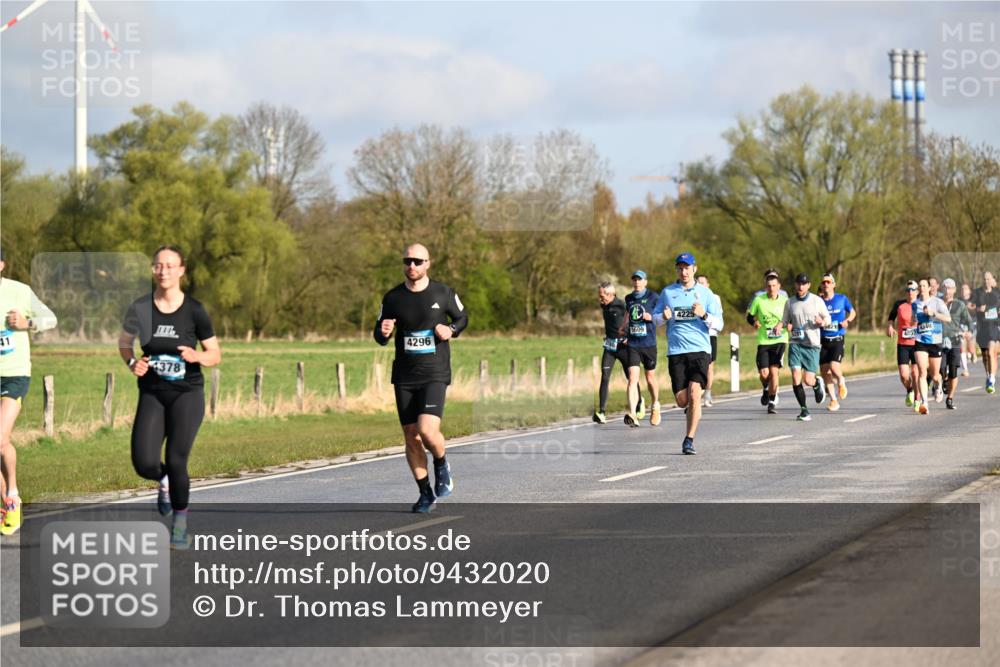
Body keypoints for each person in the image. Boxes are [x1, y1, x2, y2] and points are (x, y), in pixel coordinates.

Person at [119, 246, 221, 548]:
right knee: (144, 462)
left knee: (177, 460)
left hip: (187, 394)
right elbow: (125, 344)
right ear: (153, 270)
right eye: (158, 265)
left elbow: (215, 354)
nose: (164, 271)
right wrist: (131, 362)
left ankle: (179, 524)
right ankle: (162, 481)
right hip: (152, 392)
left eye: (170, 266)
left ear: (181, 270)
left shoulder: (195, 310)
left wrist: (197, 356)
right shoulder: (140, 308)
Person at [374, 244, 468, 513]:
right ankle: (425, 493)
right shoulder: (392, 297)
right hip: (404, 375)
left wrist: (450, 329)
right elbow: (379, 337)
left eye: (417, 261)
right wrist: (384, 331)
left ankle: (441, 463)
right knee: (411, 436)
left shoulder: (443, 292)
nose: (412, 266)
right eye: (407, 261)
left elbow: (462, 317)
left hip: (434, 373)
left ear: (428, 263)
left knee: (427, 430)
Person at [0, 248, 58, 536]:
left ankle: (12, 491)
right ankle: (8, 505)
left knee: (0, 438)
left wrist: (27, 323)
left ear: (1, 264)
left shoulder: (19, 291)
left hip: (14, 373)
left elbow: (51, 318)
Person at [653, 253, 723, 455]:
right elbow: (655, 320)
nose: (684, 272)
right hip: (676, 352)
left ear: (695, 269)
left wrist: (704, 315)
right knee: (682, 400)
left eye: (687, 268)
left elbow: (719, 324)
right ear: (677, 270)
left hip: (700, 350)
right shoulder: (667, 292)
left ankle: (689, 439)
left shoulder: (706, 294)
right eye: (680, 268)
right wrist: (663, 317)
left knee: (694, 393)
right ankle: (691, 408)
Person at [781, 274, 831, 422]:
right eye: (798, 284)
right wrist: (780, 325)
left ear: (808, 285)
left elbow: (828, 318)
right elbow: (784, 320)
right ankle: (804, 410)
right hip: (796, 343)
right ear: (795, 285)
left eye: (804, 284)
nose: (800, 287)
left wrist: (822, 322)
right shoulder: (790, 302)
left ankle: (816, 383)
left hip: (812, 345)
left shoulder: (817, 301)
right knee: (796, 376)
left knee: (808, 380)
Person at [748, 270, 789, 415]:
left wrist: (785, 325)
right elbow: (750, 316)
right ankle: (766, 388)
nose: (771, 288)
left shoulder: (785, 301)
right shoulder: (759, 300)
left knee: (774, 372)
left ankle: (772, 401)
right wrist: (754, 322)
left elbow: (790, 319)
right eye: (769, 286)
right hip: (764, 341)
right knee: (764, 374)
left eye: (774, 285)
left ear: (779, 286)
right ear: (766, 287)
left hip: (780, 340)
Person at [625, 270, 661, 426]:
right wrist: (623, 327)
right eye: (634, 280)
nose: (637, 282)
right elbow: (628, 315)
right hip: (633, 344)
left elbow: (660, 317)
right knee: (632, 379)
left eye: (640, 280)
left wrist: (650, 317)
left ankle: (655, 405)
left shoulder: (654, 297)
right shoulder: (629, 298)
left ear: (645, 282)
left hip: (649, 344)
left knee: (650, 378)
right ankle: (632, 413)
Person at [911, 277, 951, 414]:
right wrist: (912, 326)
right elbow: (913, 319)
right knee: (922, 372)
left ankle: (938, 385)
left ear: (929, 288)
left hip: (935, 341)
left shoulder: (937, 302)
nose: (921, 288)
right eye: (920, 286)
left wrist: (934, 314)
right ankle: (924, 403)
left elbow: (948, 318)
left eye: (924, 286)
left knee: (934, 375)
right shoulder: (915, 304)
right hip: (920, 340)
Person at [818, 273, 856, 412]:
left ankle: (841, 380)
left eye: (829, 282)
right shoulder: (818, 301)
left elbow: (852, 312)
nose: (826, 284)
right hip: (822, 340)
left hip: (837, 339)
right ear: (822, 285)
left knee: (834, 367)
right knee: (824, 371)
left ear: (834, 284)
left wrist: (847, 321)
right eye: (824, 282)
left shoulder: (842, 298)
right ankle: (833, 400)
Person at [594, 282, 629, 425]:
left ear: (611, 294)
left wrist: (628, 336)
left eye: (602, 296)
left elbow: (632, 319)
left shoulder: (621, 305)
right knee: (605, 376)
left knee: (630, 377)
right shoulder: (605, 305)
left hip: (623, 346)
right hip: (609, 347)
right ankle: (601, 412)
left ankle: (639, 403)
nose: (600, 299)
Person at [941, 278, 974, 409]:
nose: (947, 291)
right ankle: (944, 380)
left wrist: (969, 332)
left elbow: (969, 321)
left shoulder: (960, 305)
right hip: (939, 341)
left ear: (954, 290)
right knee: (941, 368)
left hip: (955, 341)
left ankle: (950, 398)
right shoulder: (938, 303)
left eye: (950, 288)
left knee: (953, 371)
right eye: (945, 288)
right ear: (942, 289)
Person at [887, 281, 920, 408]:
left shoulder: (921, 304)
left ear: (917, 291)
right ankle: (910, 390)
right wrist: (890, 326)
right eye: (908, 290)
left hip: (917, 343)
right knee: (904, 375)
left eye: (913, 290)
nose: (910, 292)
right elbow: (891, 317)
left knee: (916, 374)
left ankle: (917, 400)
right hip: (903, 344)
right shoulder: (899, 304)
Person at [696, 274, 724, 407]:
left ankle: (707, 392)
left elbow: (718, 318)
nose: (700, 284)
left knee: (709, 365)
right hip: (698, 334)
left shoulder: (714, 297)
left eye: (703, 282)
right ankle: (697, 390)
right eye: (698, 282)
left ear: (708, 284)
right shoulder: (693, 296)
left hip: (711, 334)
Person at [972, 271, 1000, 394]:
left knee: (991, 353)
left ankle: (992, 379)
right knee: (985, 356)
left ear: (992, 280)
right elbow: (970, 306)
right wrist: (978, 309)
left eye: (988, 279)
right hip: (982, 327)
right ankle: (988, 374)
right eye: (984, 279)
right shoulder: (977, 293)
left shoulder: (997, 293)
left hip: (993, 326)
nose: (986, 281)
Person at [961, 282, 977, 370]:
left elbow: (977, 313)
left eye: (966, 289)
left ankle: (972, 353)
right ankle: (965, 369)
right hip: (962, 325)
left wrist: (972, 308)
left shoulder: (974, 301)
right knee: (962, 344)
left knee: (971, 346)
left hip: (972, 325)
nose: (964, 290)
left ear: (969, 291)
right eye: (962, 289)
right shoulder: (958, 301)